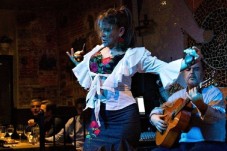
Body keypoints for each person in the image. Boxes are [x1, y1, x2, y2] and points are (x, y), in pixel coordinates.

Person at [66, 6, 200, 151]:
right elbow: (94, 81)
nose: (102, 35)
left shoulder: (134, 55)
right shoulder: (96, 51)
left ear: (121, 31)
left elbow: (162, 67)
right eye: (101, 30)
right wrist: (79, 63)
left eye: (107, 30)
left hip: (122, 118)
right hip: (99, 118)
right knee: (91, 146)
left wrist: (187, 62)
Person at [149, 54, 226, 151]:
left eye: (196, 69)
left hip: (210, 143)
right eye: (188, 69)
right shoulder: (177, 96)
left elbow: (216, 118)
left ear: (203, 73)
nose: (192, 72)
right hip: (184, 144)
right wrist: (154, 116)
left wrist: (200, 105)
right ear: (182, 73)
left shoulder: (214, 92)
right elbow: (161, 109)